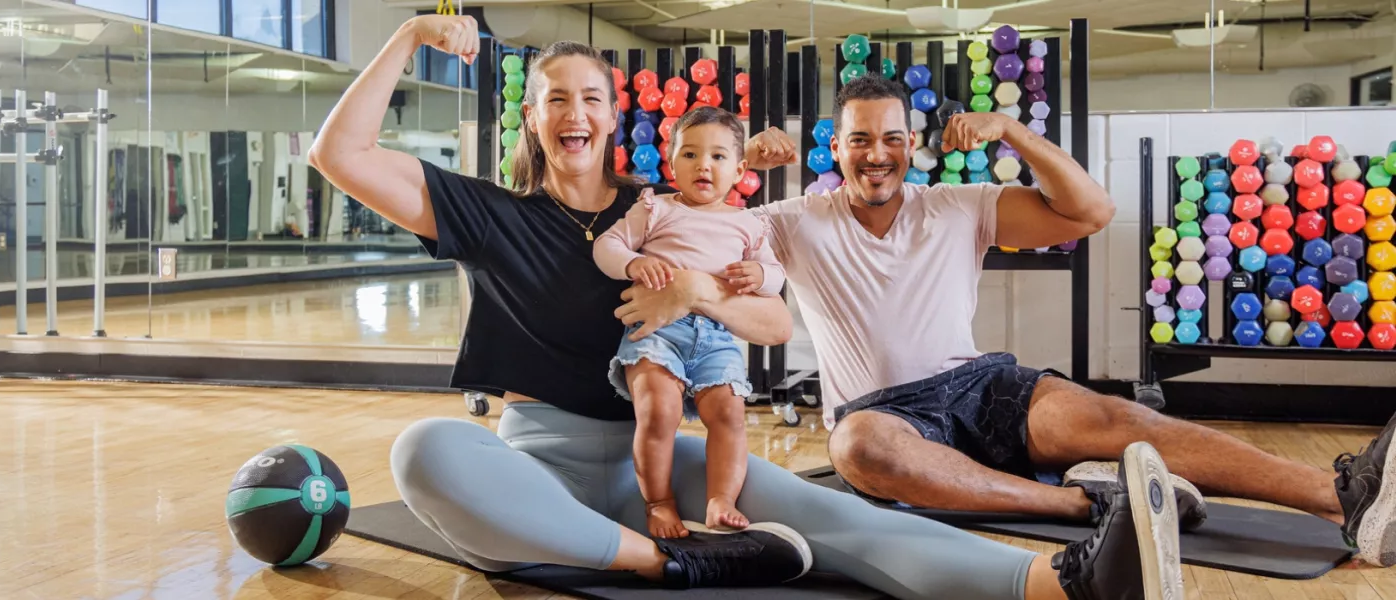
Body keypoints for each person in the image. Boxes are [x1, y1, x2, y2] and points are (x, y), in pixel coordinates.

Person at [310, 13, 1183, 598]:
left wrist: (696, 290)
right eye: (555, 100)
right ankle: (669, 562)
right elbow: (339, 152)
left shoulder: (671, 216)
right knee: (426, 450)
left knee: (842, 515)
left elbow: (771, 324)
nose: (573, 113)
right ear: (533, 119)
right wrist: (412, 32)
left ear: (616, 117)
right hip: (536, 465)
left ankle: (1063, 584)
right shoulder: (486, 210)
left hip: (650, 457)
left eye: (590, 98)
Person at [752, 73, 1396, 568]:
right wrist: (742, 176)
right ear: (835, 146)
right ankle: (1090, 500)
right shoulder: (791, 219)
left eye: (891, 138)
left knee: (1117, 417)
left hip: (976, 389)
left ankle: (1342, 495)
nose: (876, 154)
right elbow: (688, 241)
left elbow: (1091, 211)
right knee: (857, 448)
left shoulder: (954, 205)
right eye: (860, 139)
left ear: (910, 144)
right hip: (882, 412)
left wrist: (1011, 130)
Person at [593, 107, 783, 538]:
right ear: (671, 161)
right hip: (657, 331)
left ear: (739, 170)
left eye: (718, 158)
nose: (703, 165)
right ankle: (658, 502)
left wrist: (761, 275)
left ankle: (721, 500)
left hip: (716, 337)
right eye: (691, 154)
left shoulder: (748, 223)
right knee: (659, 411)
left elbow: (775, 276)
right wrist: (633, 263)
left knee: (730, 414)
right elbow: (607, 245)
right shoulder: (655, 209)